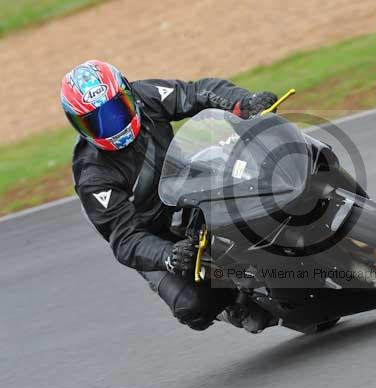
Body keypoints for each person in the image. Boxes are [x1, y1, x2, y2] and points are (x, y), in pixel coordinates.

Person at [61, 60, 278, 332]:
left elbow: (197, 93)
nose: (112, 124)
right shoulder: (93, 176)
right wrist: (168, 255)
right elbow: (125, 239)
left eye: (117, 110)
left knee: (251, 177)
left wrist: (243, 102)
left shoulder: (146, 96)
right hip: (153, 234)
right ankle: (230, 305)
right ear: (78, 126)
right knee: (192, 305)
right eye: (97, 122)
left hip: (186, 187)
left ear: (128, 94)